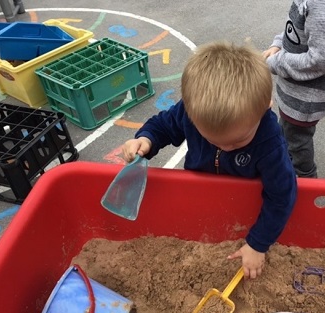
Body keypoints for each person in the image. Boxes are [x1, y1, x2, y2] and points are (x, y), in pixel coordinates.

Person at [122, 41, 297, 279]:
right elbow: (164, 126)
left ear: (265, 108)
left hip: (245, 205)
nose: (226, 147)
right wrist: (147, 139)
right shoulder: (190, 111)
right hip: (200, 193)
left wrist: (258, 244)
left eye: (237, 141)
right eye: (213, 140)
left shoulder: (270, 143)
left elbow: (282, 195)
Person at [263, 0, 325, 178]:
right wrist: (277, 44)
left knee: (298, 142)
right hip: (296, 93)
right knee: (288, 131)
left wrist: (277, 62)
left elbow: (323, 58)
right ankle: (285, 158)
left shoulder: (319, 4)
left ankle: (306, 179)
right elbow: (294, 29)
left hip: (305, 99)